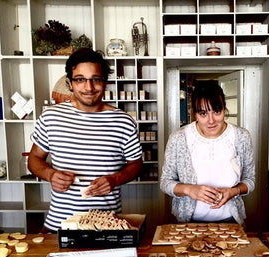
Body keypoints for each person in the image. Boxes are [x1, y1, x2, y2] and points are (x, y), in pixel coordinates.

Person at [28, 48, 143, 232]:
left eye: (95, 79)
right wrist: (50, 175)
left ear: (105, 82)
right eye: (80, 79)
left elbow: (136, 165)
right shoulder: (51, 117)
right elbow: (33, 159)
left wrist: (114, 180)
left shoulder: (123, 121)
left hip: (106, 226)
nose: (89, 88)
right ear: (70, 83)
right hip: (59, 225)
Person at [160, 80, 255, 224]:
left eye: (217, 111)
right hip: (188, 222)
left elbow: (250, 180)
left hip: (231, 220)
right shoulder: (179, 138)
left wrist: (234, 191)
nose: (211, 121)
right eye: (203, 113)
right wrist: (189, 190)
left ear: (224, 108)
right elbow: (165, 182)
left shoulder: (241, 137)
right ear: (194, 113)